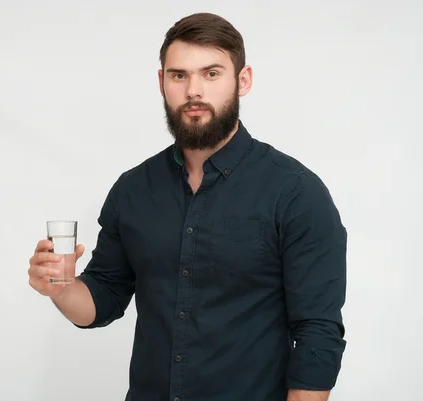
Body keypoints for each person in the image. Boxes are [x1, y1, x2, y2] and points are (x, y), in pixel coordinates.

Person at [28, 12, 347, 401]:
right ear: (162, 83)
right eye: (179, 75)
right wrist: (60, 288)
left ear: (242, 80)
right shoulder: (133, 190)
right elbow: (101, 301)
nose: (194, 90)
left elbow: (317, 332)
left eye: (211, 74)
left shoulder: (295, 193)